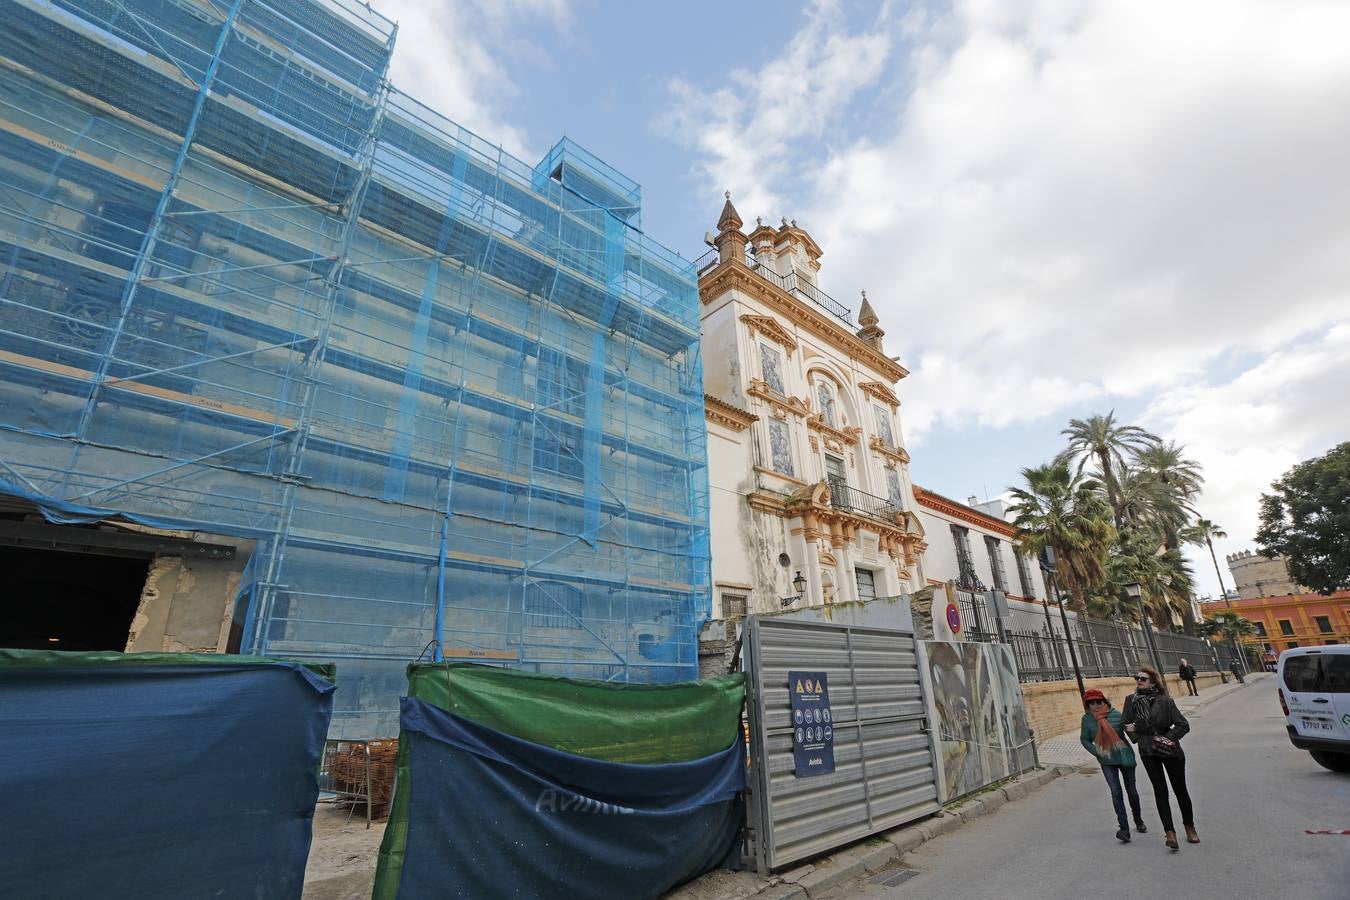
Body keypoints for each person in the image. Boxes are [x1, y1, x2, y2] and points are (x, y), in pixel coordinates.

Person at [1122, 664, 1196, 851]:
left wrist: (1166, 738)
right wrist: (1137, 737)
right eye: (1137, 678)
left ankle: (1189, 827)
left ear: (1153, 682)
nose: (1139, 681)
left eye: (1143, 678)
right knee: (1160, 791)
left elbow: (1183, 725)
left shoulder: (1166, 701)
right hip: (1148, 750)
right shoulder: (1131, 700)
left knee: (1180, 790)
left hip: (1170, 750)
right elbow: (1125, 722)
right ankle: (1169, 832)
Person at [1079, 688, 1146, 843]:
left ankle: (1138, 820)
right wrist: (1097, 751)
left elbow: (1131, 733)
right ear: (1087, 705)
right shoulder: (1087, 720)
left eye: (1098, 702)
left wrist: (1140, 730)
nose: (1095, 705)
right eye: (1091, 703)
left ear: (1104, 701)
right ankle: (1124, 829)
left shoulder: (1116, 715)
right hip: (1107, 761)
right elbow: (1084, 739)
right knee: (1116, 792)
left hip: (1125, 757)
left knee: (1132, 791)